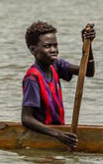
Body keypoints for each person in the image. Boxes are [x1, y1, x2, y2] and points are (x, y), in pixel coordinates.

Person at [21, 21, 95, 149]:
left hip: (58, 132)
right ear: (33, 50)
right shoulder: (32, 78)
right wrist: (58, 135)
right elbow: (26, 119)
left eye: (55, 45)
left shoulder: (56, 65)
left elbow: (87, 72)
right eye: (47, 46)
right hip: (45, 135)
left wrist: (87, 45)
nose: (54, 50)